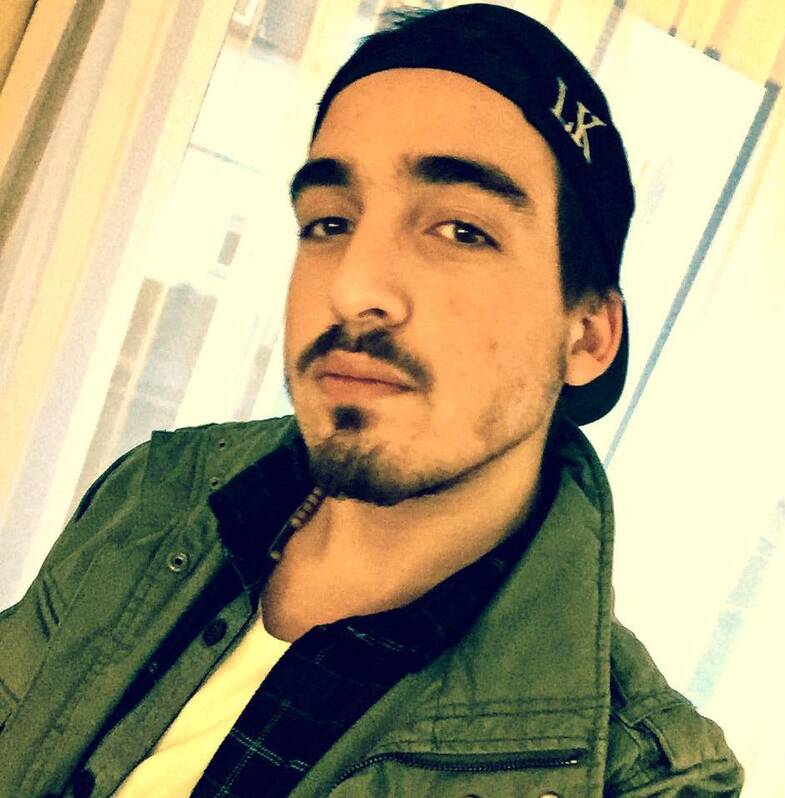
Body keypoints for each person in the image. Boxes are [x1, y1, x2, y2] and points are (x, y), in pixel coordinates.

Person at [0, 4, 743, 796]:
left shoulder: (639, 777)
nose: (353, 287)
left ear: (587, 336)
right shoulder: (153, 493)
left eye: (462, 231)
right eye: (329, 223)